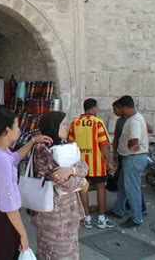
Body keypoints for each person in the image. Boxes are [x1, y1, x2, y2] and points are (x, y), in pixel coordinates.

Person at [0, 109, 52, 260]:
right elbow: (8, 204)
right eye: (17, 126)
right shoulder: (1, 159)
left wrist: (33, 141)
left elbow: (14, 158)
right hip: (4, 219)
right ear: (8, 130)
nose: (19, 130)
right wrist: (24, 234)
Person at [31, 111, 89, 260]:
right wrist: (81, 181)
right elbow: (62, 182)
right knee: (55, 254)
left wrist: (71, 170)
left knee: (70, 253)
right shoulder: (41, 149)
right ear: (53, 126)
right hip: (53, 217)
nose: (66, 127)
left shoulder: (65, 145)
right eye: (63, 124)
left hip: (69, 212)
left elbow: (84, 166)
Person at [68, 98, 115, 229]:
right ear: (94, 108)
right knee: (101, 188)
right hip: (97, 164)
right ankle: (101, 219)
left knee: (83, 189)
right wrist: (109, 161)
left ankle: (87, 219)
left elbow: (70, 143)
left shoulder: (75, 123)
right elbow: (104, 144)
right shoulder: (98, 123)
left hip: (80, 163)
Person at [108, 95, 149, 228]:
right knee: (122, 185)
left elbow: (134, 140)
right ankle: (118, 209)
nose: (115, 112)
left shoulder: (134, 121)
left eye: (116, 109)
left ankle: (136, 218)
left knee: (132, 189)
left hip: (133, 158)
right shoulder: (135, 118)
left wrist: (133, 149)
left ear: (124, 107)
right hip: (130, 158)